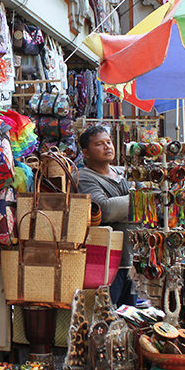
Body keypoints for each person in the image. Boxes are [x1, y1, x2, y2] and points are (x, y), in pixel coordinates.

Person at [76, 126, 135, 306]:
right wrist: (139, 200)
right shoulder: (84, 177)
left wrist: (127, 204)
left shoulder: (122, 174)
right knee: (106, 319)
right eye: (100, 144)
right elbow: (104, 209)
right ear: (85, 152)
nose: (107, 147)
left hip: (131, 262)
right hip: (105, 264)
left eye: (109, 142)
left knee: (132, 318)